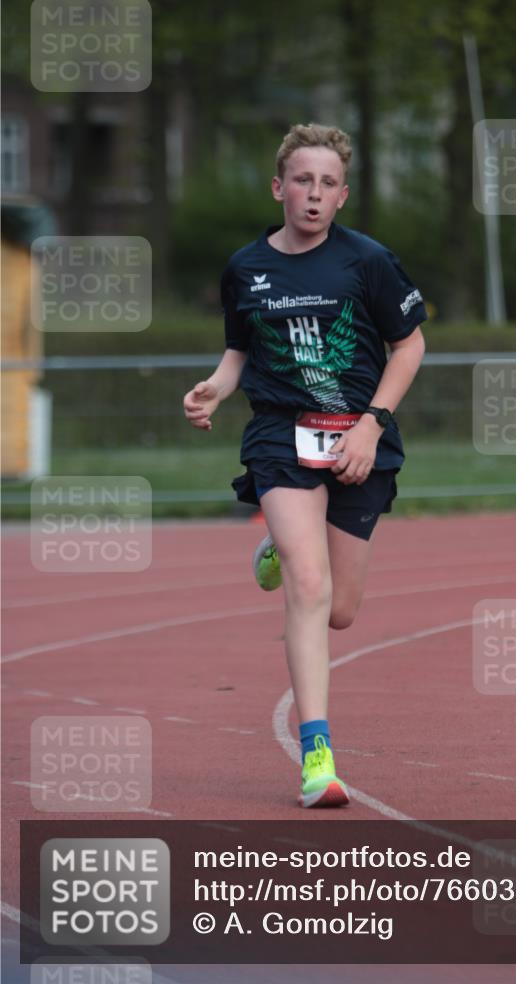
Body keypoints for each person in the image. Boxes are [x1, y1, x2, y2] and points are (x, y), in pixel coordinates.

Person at [183, 123, 426, 808]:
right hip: (278, 438)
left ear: (341, 195)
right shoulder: (244, 268)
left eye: (326, 184)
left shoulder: (368, 261)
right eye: (301, 181)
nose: (312, 195)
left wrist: (370, 427)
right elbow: (239, 351)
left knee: (341, 612)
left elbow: (408, 346)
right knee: (309, 587)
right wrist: (213, 389)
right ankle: (317, 756)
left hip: (356, 441)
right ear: (278, 187)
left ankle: (276, 547)